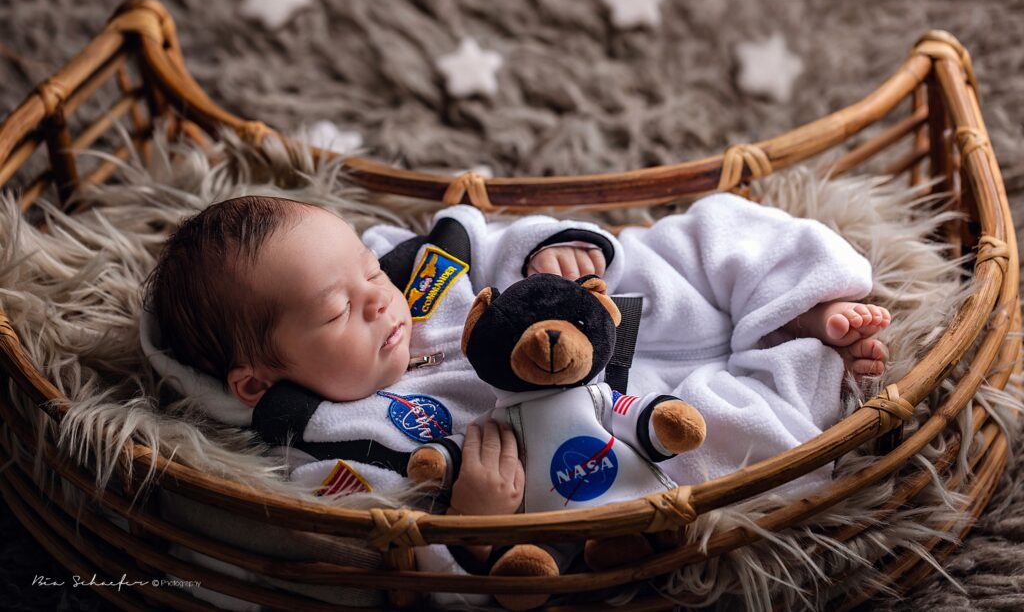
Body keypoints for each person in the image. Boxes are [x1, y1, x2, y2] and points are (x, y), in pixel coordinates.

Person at [141, 193, 889, 580]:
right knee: (720, 449)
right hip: (622, 426)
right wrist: (472, 523)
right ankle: (803, 359)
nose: (377, 299)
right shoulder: (334, 444)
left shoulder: (417, 281)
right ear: (256, 378)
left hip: (602, 313)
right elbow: (389, 549)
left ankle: (798, 297)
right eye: (339, 309)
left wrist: (551, 249)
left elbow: (487, 236)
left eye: (367, 275)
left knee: (692, 239)